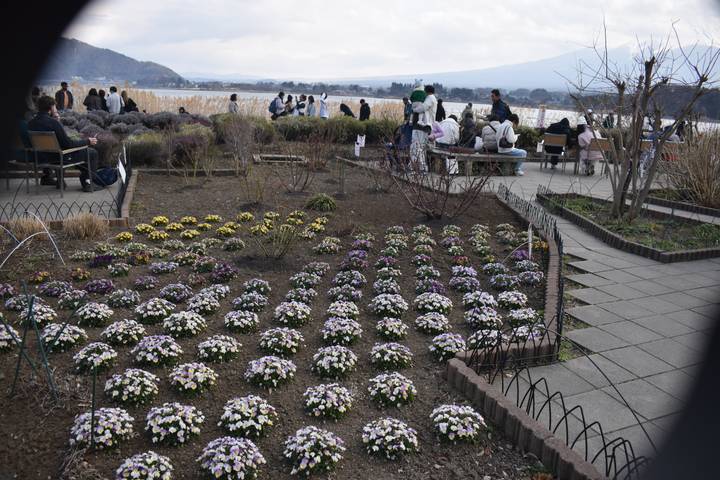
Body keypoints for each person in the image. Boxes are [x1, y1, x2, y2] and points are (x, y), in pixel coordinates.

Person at [28, 96, 98, 192]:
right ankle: (88, 183)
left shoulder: (31, 123)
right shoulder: (53, 123)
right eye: (55, 107)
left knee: (81, 153)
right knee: (92, 153)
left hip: (42, 158)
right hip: (59, 158)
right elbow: (68, 144)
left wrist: (57, 121)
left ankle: (61, 181)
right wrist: (88, 141)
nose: (56, 109)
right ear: (51, 108)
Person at [409, 85, 438, 172]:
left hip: (423, 125)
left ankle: (418, 167)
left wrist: (414, 110)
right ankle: (421, 167)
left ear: (426, 91)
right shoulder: (433, 99)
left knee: (416, 146)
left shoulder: (429, 98)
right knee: (421, 147)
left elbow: (423, 107)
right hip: (427, 126)